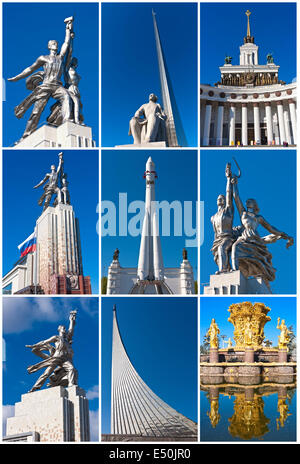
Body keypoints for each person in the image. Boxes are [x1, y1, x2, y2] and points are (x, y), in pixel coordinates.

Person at [8, 18, 74, 142]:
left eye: (56, 43)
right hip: (46, 85)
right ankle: (26, 135)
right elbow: (30, 69)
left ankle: (67, 121)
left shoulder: (60, 57)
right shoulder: (43, 58)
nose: (55, 44)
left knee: (66, 97)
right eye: (52, 43)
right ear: (49, 46)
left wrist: (68, 28)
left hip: (57, 86)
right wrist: (17, 78)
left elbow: (66, 42)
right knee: (36, 111)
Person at [231, 175, 293, 285]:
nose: (247, 202)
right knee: (235, 247)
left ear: (255, 205)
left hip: (255, 239)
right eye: (247, 201)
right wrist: (234, 184)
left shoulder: (259, 218)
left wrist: (285, 235)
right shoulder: (243, 213)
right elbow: (236, 197)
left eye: (251, 201)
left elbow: (271, 228)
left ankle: (260, 273)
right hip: (244, 237)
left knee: (258, 259)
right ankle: (234, 271)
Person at [26, 311, 78, 392]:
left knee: (71, 368)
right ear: (59, 330)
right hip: (56, 358)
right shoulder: (56, 337)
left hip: (65, 360)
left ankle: (71, 384)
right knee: (46, 373)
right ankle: (35, 388)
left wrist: (71, 320)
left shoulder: (67, 339)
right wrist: (34, 346)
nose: (65, 329)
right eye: (63, 328)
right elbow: (44, 342)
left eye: (65, 328)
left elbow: (71, 330)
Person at [211, 163, 235, 273]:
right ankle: (225, 268)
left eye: (222, 198)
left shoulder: (228, 210)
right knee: (218, 252)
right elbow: (215, 232)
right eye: (218, 199)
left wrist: (228, 179)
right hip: (218, 239)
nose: (220, 199)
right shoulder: (213, 217)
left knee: (222, 249)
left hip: (228, 238)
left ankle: (223, 270)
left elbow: (228, 193)